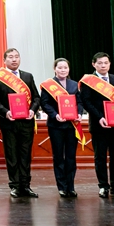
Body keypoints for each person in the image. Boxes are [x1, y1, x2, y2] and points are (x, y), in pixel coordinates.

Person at [0, 48, 41, 198]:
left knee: (25, 154)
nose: (14, 59)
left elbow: (36, 97)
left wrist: (33, 110)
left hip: (26, 122)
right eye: (10, 57)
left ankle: (26, 185)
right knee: (12, 154)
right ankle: (15, 185)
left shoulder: (27, 76)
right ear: (4, 60)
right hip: (9, 122)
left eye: (16, 56)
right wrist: (5, 112)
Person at [78, 52, 114, 199]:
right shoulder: (89, 81)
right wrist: (100, 117)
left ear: (109, 64)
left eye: (106, 63)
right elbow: (86, 102)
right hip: (99, 125)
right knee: (100, 157)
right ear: (93, 64)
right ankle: (103, 186)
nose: (103, 65)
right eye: (100, 63)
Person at [39, 58, 84, 198]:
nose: (63, 70)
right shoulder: (48, 85)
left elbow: (79, 102)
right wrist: (55, 115)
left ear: (69, 69)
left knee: (71, 157)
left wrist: (79, 113)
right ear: (55, 69)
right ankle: (62, 187)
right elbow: (44, 103)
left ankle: (71, 186)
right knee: (58, 156)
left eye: (65, 67)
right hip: (56, 126)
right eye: (60, 67)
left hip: (71, 125)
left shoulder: (74, 84)